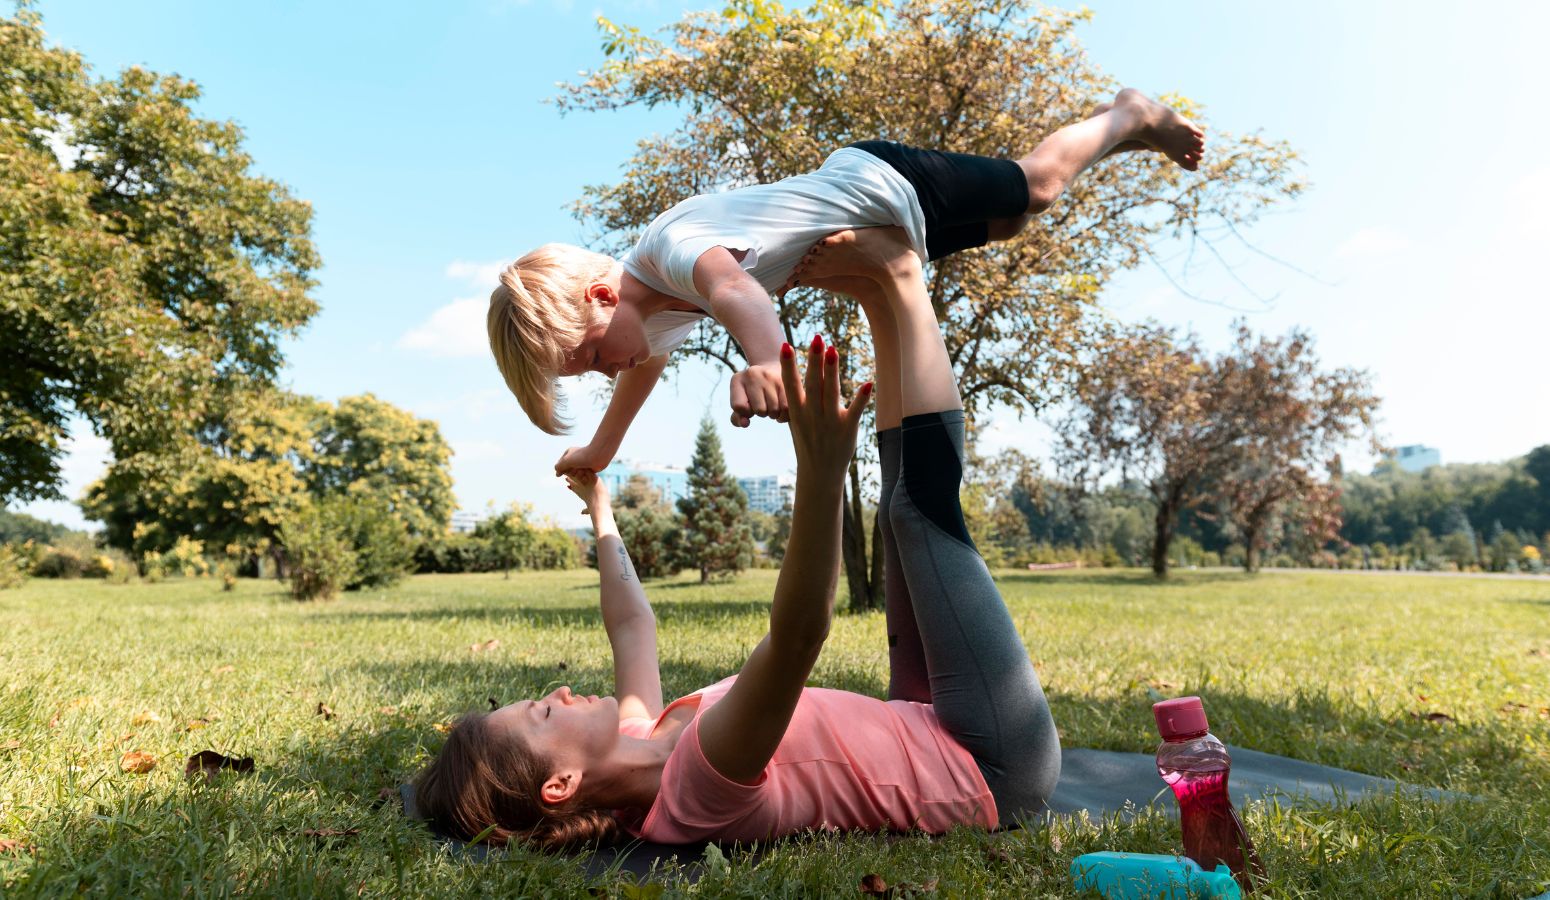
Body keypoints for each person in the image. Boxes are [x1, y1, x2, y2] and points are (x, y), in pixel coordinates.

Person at [417, 239, 1060, 849]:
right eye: (545, 716)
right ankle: (901, 279)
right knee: (918, 514)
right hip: (991, 762)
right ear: (561, 786)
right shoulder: (692, 785)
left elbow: (632, 626)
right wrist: (820, 471)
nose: (557, 694)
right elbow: (798, 635)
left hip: (922, 717)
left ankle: (883, 299)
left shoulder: (642, 735)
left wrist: (601, 511)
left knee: (900, 514)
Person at [483, 89, 1204, 479]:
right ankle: (1116, 138)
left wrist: (765, 362)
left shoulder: (668, 250)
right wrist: (603, 449)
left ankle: (1125, 114)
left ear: (602, 298)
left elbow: (736, 290)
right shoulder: (646, 325)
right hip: (896, 227)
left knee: (1038, 188)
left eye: (592, 356)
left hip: (886, 181)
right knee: (1014, 225)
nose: (608, 371)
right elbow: (646, 371)